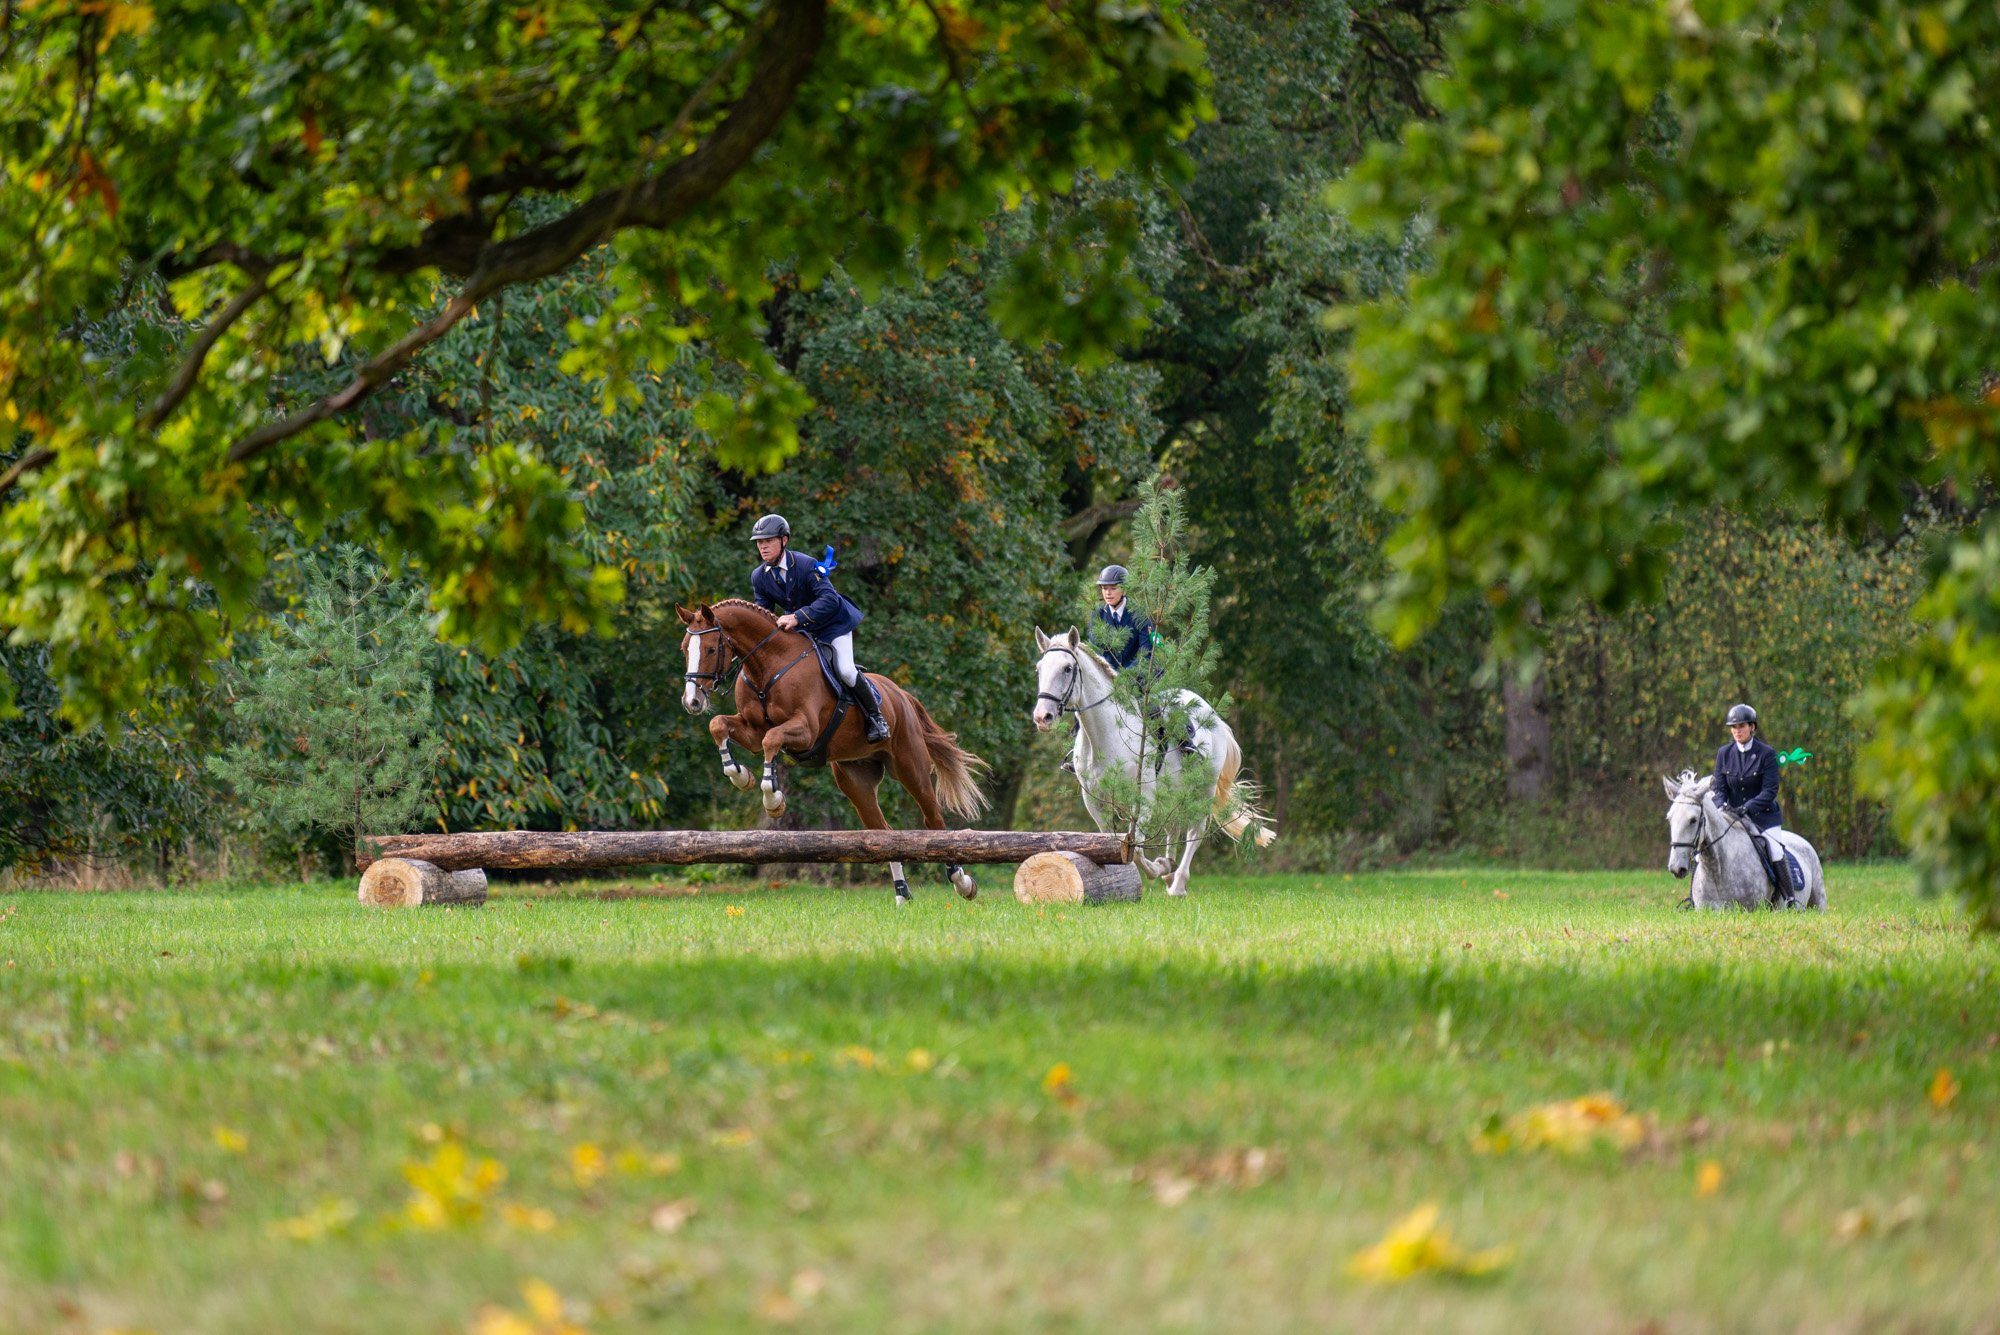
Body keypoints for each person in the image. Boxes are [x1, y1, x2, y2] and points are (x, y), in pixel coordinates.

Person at [748, 513, 890, 742]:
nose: (763, 547)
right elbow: (763, 614)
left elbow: (830, 599)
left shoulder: (806, 565)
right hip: (804, 629)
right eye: (759, 543)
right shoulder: (759, 576)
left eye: (768, 541)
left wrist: (797, 617)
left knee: (844, 669)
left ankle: (877, 718)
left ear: (784, 540)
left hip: (834, 624)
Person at [1060, 565, 1161, 774]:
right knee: (1083, 707)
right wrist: (1107, 676)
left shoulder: (1139, 614)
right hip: (1109, 676)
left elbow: (1147, 653)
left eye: (1112, 588)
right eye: (1104, 588)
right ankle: (1076, 752)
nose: (1107, 592)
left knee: (1153, 708)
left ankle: (1177, 745)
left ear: (1123, 589)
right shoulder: (1098, 615)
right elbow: (1097, 652)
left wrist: (1125, 676)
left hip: (1140, 674)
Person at [1710, 702, 1789, 886]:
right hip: (1731, 818)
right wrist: (1721, 806)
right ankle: (1695, 898)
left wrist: (1746, 808)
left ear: (1752, 727)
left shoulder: (1766, 753)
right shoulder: (1724, 753)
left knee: (1776, 851)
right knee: (1704, 851)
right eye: (1734, 727)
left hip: (1763, 817)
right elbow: (1719, 788)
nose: (1737, 731)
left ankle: (1789, 898)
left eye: (1742, 726)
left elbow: (1770, 790)